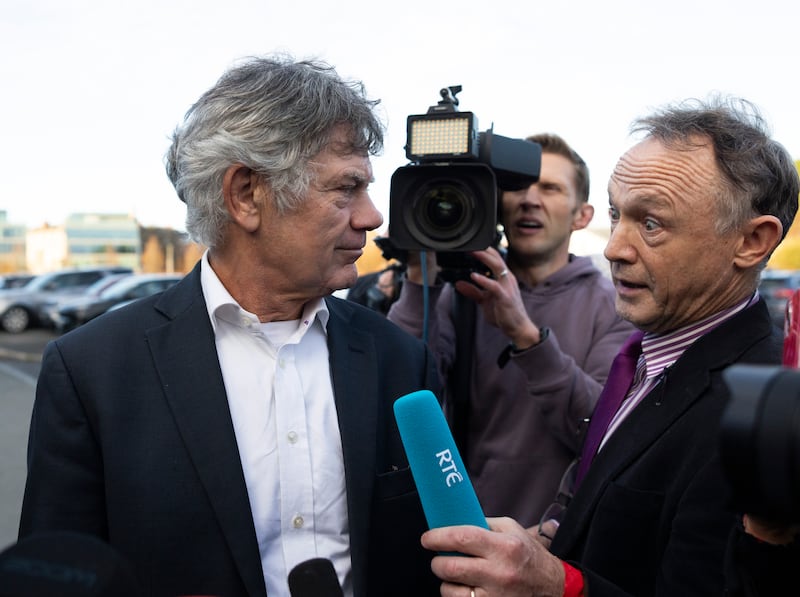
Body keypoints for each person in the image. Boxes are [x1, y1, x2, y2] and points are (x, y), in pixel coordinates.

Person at [18, 55, 441, 597]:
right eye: (345, 188)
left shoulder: (401, 361)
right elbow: (56, 577)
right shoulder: (92, 371)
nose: (371, 216)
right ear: (245, 195)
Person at [418, 96, 799, 597]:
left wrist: (557, 585)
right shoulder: (647, 356)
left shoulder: (759, 414)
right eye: (618, 215)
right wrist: (553, 538)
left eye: (652, 223)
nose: (615, 248)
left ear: (752, 241)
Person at [388, 133, 635, 526]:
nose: (529, 199)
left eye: (551, 188)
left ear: (582, 215)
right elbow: (401, 385)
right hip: (466, 526)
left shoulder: (614, 306)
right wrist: (421, 276)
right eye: (517, 187)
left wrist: (525, 335)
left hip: (558, 539)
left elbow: (600, 432)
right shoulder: (463, 294)